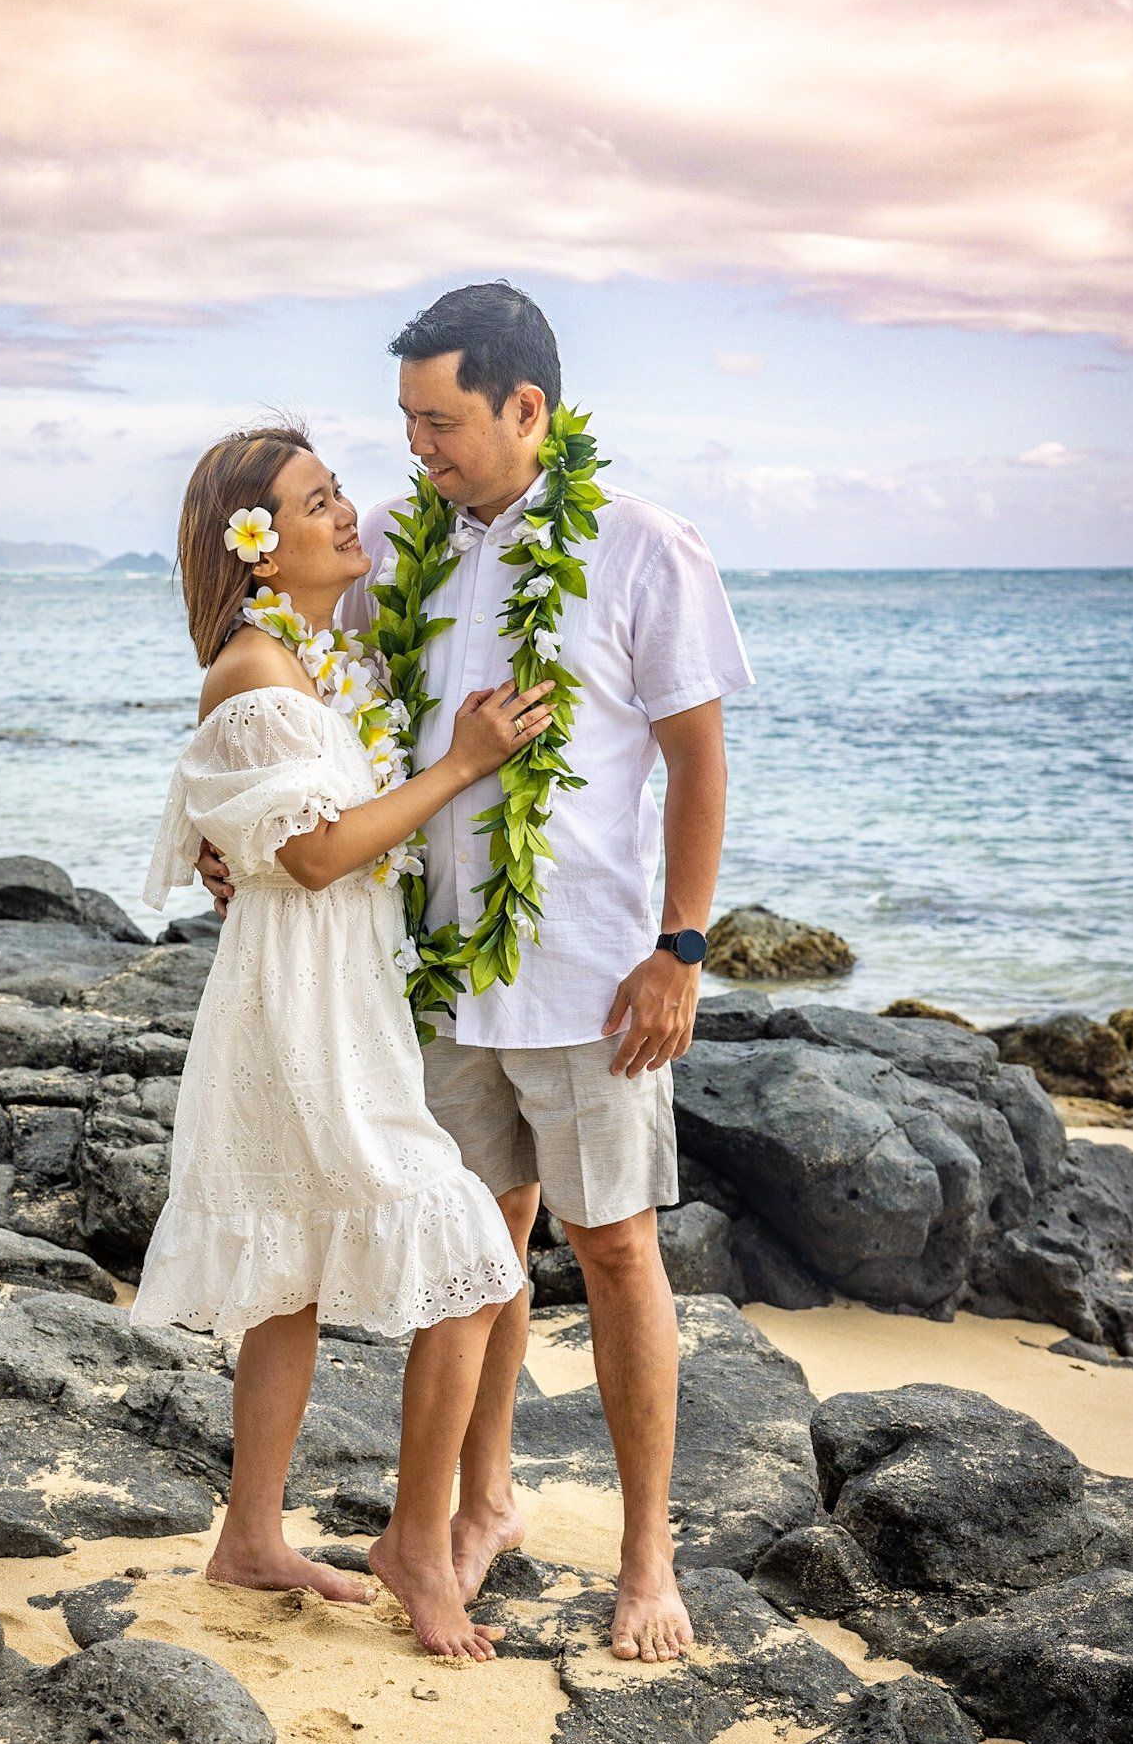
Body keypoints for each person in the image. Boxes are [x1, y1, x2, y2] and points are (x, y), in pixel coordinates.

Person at [198, 287, 755, 1664]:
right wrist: (238, 840)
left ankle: (644, 1560)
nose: (416, 449)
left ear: (525, 410)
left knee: (616, 1251)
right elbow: (292, 679)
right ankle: (470, 1508)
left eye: (437, 421)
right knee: (472, 1255)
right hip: (434, 977)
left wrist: (680, 945)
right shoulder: (396, 541)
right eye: (402, 423)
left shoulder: (638, 548)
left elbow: (696, 763)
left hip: (592, 975)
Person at [132, 420, 556, 1660]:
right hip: (297, 1002)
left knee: (294, 1278)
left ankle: (250, 1536)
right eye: (315, 503)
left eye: (335, 492)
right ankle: (414, 1542)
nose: (345, 513)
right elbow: (315, 852)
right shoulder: (256, 673)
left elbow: (265, 830)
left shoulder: (323, 652)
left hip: (339, 987)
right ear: (256, 548)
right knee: (474, 1250)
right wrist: (468, 763)